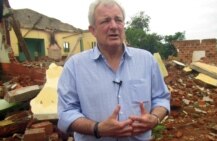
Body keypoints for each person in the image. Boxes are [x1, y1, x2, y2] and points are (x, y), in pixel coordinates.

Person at [57, 0, 171, 140]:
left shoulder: (147, 60)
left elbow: (161, 98)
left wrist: (154, 118)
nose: (114, 26)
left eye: (118, 20)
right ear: (93, 30)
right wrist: (97, 128)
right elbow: (66, 112)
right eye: (105, 21)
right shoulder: (74, 66)